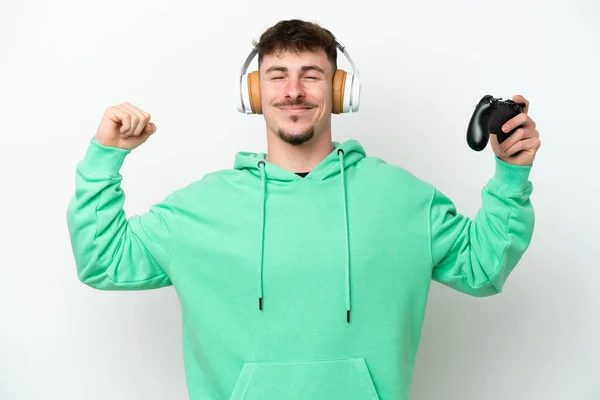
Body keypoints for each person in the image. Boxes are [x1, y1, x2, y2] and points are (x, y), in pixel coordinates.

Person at [66, 19, 541, 400]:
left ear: (339, 91)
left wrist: (510, 177)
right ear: (254, 94)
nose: (293, 91)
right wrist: (105, 155)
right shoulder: (200, 208)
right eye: (277, 76)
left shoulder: (403, 197)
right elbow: (102, 259)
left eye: (311, 75)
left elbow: (482, 268)